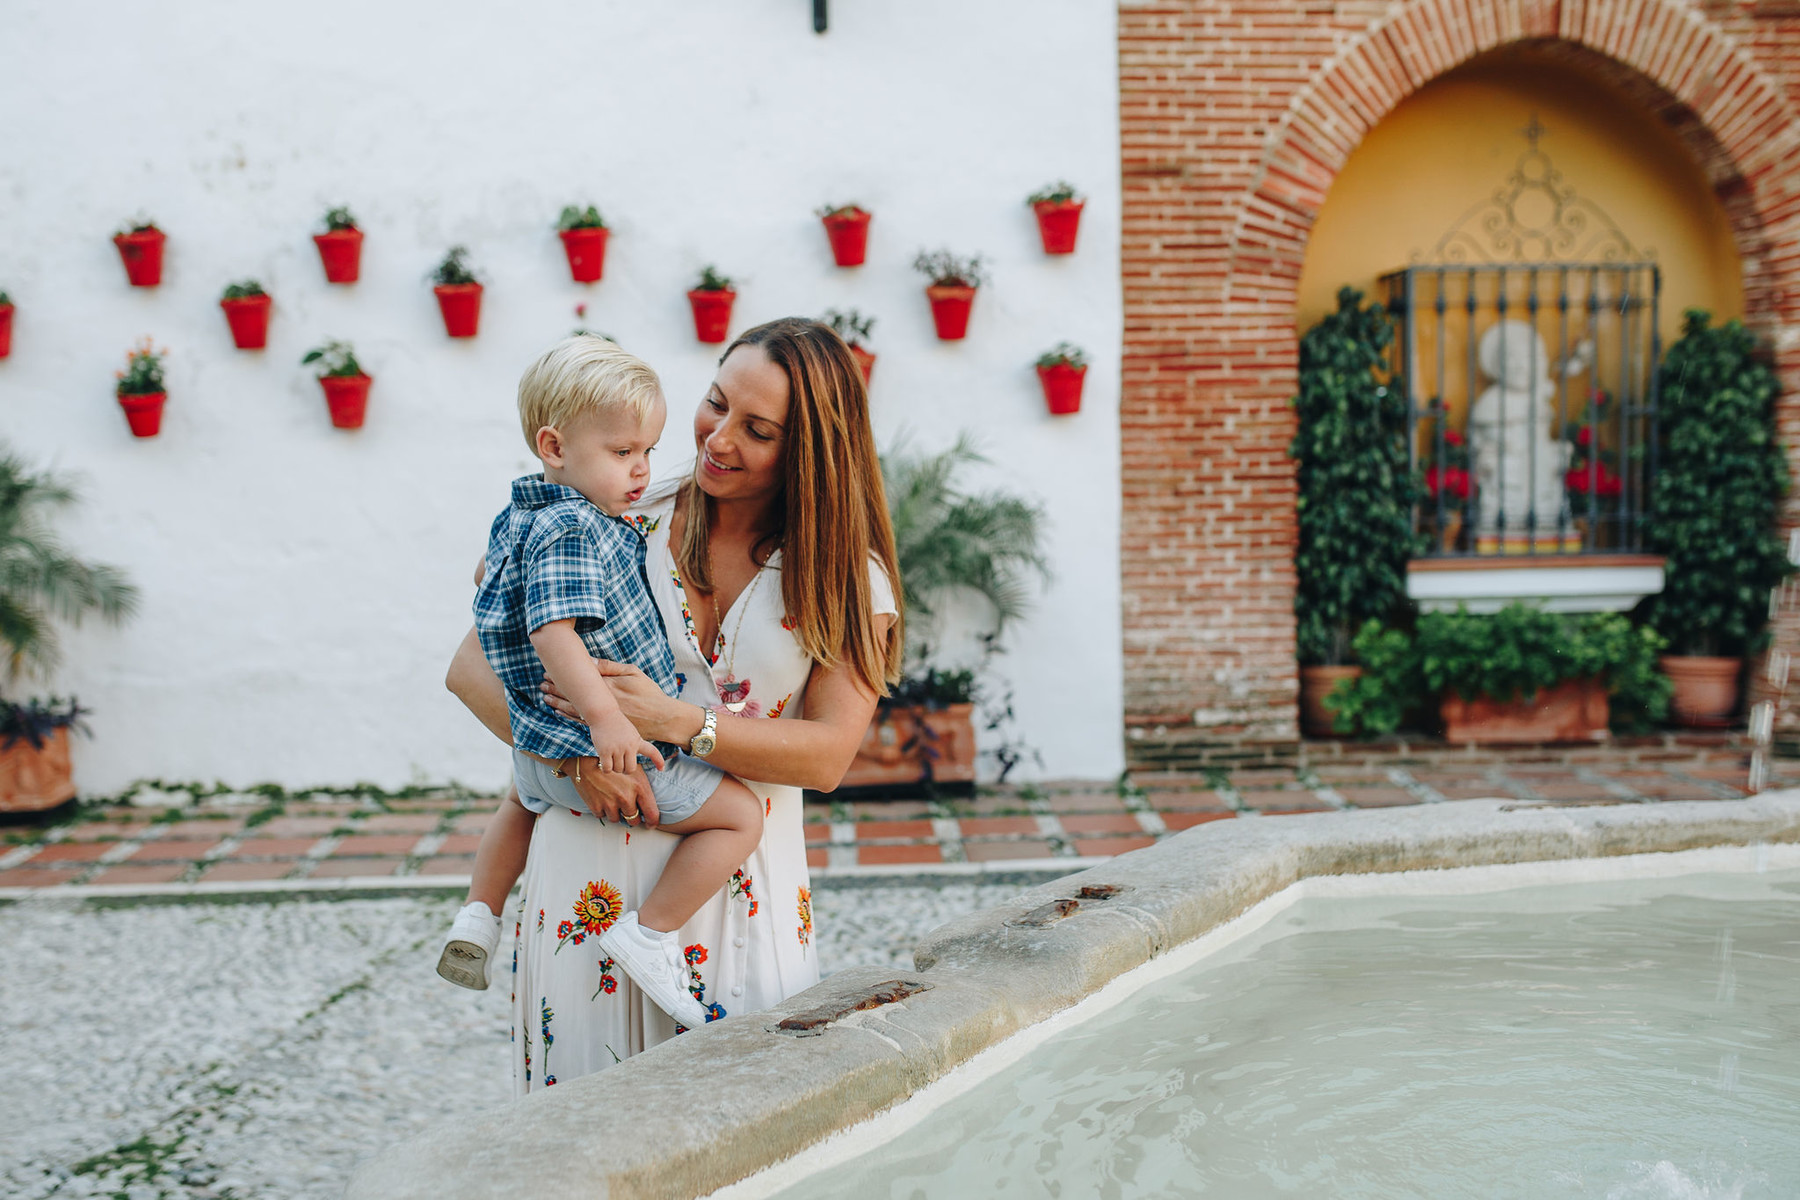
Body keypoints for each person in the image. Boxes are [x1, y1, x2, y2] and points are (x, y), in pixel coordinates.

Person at [446, 317, 903, 1090]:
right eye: (715, 404)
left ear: (811, 451)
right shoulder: (611, 511)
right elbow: (472, 668)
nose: (718, 438)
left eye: (757, 429)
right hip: (585, 892)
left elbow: (827, 755)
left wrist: (679, 724)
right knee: (583, 1150)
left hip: (743, 897)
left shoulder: (844, 579)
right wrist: (581, 753)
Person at [438, 337, 764, 1031]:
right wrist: (608, 723)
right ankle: (650, 935)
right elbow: (553, 630)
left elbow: (484, 581)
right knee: (742, 816)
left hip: (537, 753)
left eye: (647, 451)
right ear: (554, 446)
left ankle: (479, 914)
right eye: (623, 454)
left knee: (518, 803)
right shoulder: (574, 525)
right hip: (601, 742)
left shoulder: (523, 515)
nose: (643, 469)